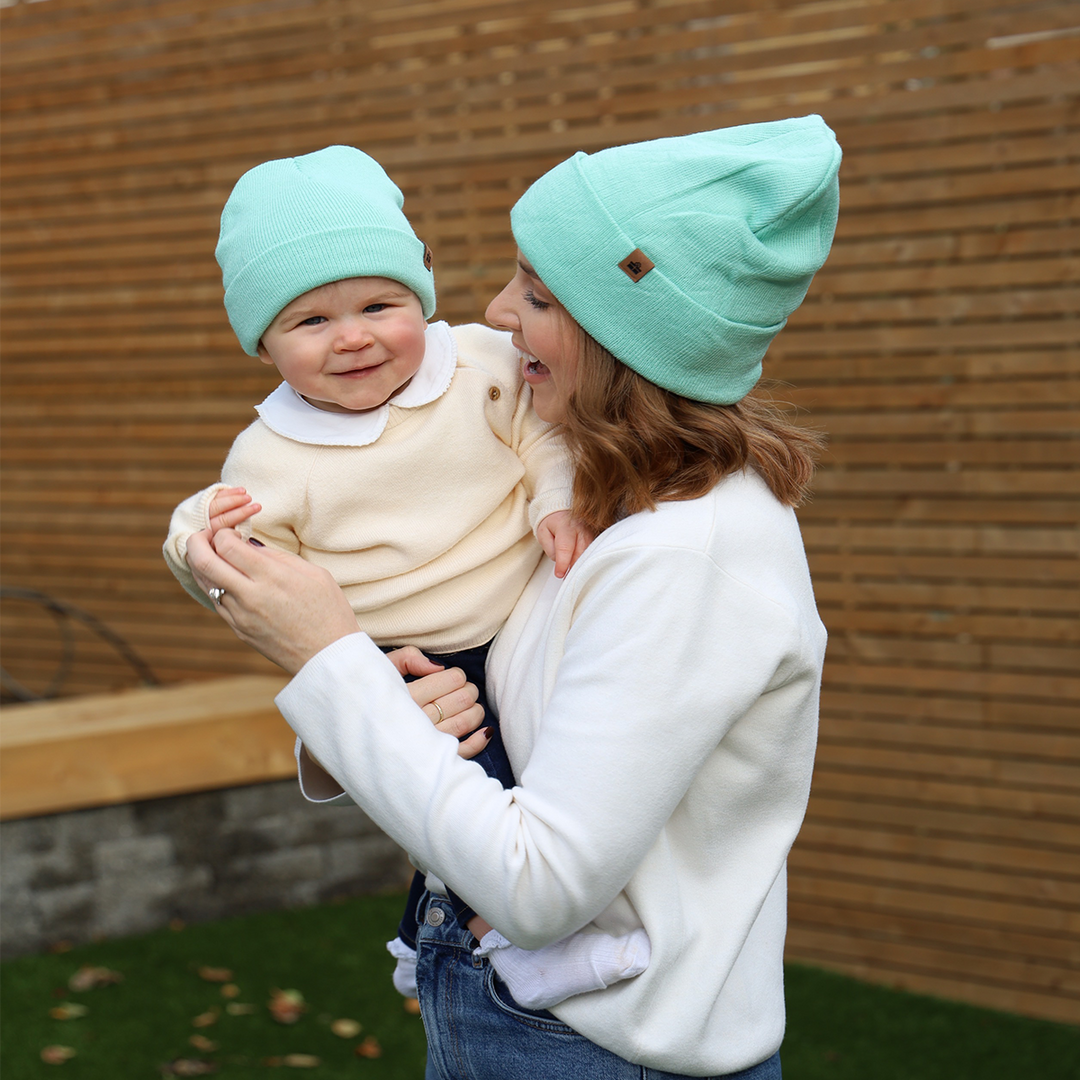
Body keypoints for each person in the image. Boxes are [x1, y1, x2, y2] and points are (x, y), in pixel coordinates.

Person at [184, 114, 842, 1079]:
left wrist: (326, 657)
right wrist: (380, 707)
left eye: (535, 294)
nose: (493, 313)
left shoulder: (683, 554)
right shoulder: (595, 488)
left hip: (595, 1048)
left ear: (621, 326)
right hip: (524, 1019)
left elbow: (538, 888)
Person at [162, 144, 648, 1009]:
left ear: (420, 294)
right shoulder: (272, 454)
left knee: (571, 778)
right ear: (263, 345)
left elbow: (542, 438)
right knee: (474, 793)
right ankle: (508, 942)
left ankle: (456, 929)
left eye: (379, 305)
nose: (352, 337)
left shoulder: (477, 366)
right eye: (309, 323)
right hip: (414, 651)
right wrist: (198, 543)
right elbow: (235, 552)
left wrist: (556, 504)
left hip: (526, 608)